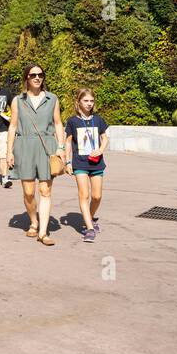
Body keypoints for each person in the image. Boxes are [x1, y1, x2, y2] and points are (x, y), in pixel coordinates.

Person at [6, 63, 65, 246]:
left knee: (45, 191)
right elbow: (13, 125)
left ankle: (43, 232)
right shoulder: (18, 100)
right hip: (24, 145)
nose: (37, 78)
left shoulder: (52, 99)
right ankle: (33, 220)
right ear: (27, 78)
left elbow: (58, 123)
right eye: (33, 75)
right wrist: (8, 151)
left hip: (47, 146)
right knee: (29, 192)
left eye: (40, 74)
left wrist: (61, 147)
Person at [66, 88, 109, 241]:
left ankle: (89, 218)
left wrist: (101, 150)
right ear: (78, 102)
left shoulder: (98, 120)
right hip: (80, 164)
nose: (89, 104)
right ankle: (89, 229)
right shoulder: (72, 121)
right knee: (84, 195)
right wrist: (67, 161)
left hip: (97, 163)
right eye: (86, 101)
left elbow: (105, 138)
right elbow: (68, 142)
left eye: (91, 101)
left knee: (97, 196)